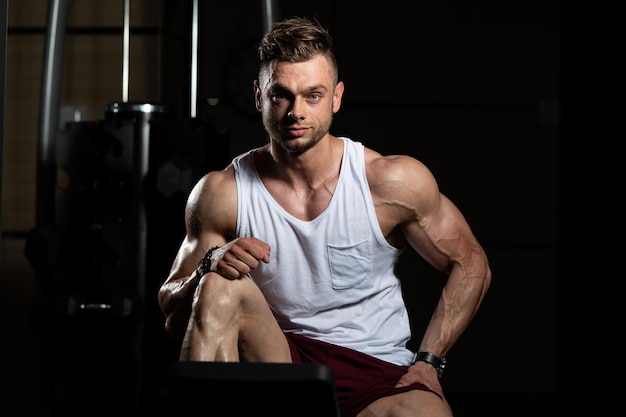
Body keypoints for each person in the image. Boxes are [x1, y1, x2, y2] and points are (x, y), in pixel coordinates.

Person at [158, 16, 491, 417]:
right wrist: (209, 265)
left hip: (378, 373)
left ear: (336, 97)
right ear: (259, 96)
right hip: (279, 361)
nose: (296, 112)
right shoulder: (221, 193)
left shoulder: (389, 181)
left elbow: (471, 264)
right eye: (282, 95)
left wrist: (430, 361)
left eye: (312, 96)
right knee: (217, 286)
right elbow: (175, 318)